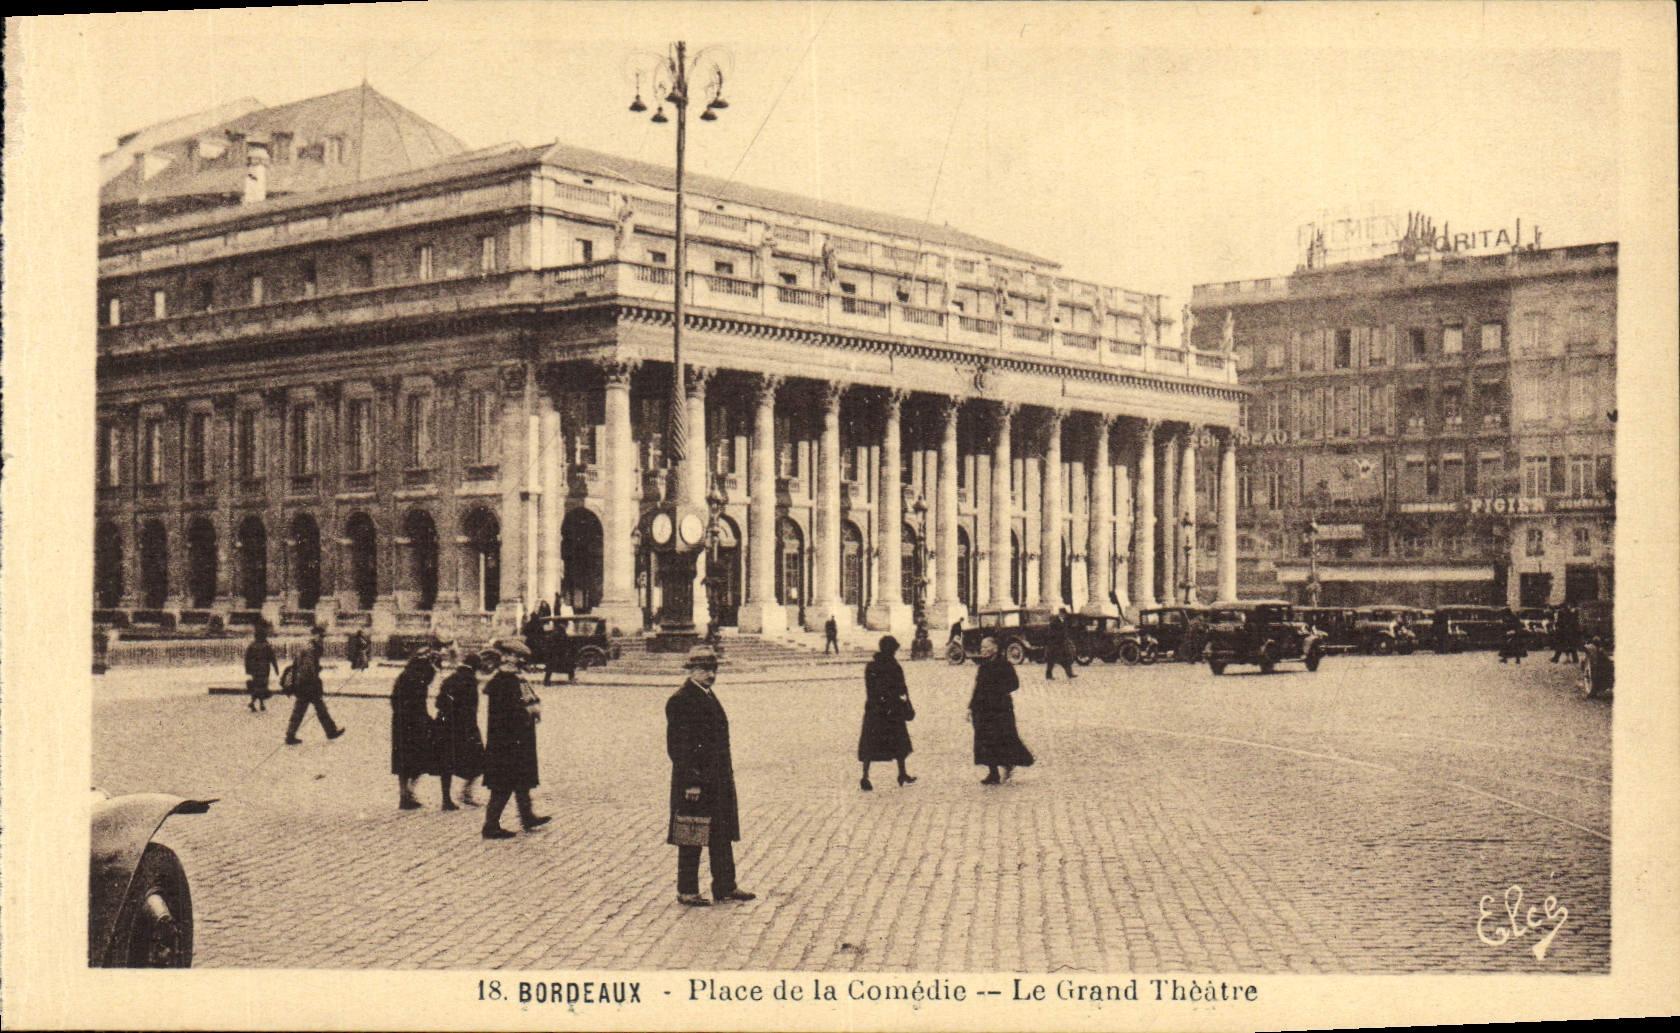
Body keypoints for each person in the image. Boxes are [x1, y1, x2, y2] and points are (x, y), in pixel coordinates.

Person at [665, 644, 755, 907]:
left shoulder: (707, 695)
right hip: (695, 782)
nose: (710, 674)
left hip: (717, 780)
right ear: (691, 670)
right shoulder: (681, 699)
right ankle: (687, 890)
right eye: (704, 669)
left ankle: (725, 885)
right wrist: (692, 782)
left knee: (721, 834)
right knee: (692, 833)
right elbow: (678, 748)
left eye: (713, 669)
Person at [479, 641, 549, 839]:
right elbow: (509, 712)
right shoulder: (505, 681)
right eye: (517, 657)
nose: (520, 661)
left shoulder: (514, 679)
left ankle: (527, 816)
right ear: (508, 657)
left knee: (521, 781)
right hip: (507, 741)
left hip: (516, 739)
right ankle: (490, 825)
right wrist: (527, 714)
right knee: (503, 783)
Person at [968, 637, 1035, 785]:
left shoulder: (1004, 665)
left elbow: (1014, 684)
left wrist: (998, 691)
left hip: (1000, 709)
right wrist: (970, 707)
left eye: (986, 647)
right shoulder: (983, 666)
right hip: (983, 709)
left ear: (995, 649)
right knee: (985, 740)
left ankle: (1008, 763)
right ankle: (993, 773)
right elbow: (977, 688)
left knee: (1003, 738)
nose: (983, 650)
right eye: (982, 647)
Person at [857, 636, 916, 791]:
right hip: (891, 710)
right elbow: (901, 688)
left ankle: (865, 776)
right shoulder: (894, 666)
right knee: (898, 742)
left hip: (875, 710)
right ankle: (901, 773)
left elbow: (871, 689)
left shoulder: (871, 666)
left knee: (871, 744)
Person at [391, 649, 441, 810]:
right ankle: (410, 792)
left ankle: (403, 794)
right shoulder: (420, 680)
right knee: (421, 757)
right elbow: (419, 704)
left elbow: (394, 700)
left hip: (400, 722)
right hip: (416, 722)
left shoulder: (404, 677)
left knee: (402, 759)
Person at [435, 651, 486, 809]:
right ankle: (466, 792)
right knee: (480, 760)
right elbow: (471, 709)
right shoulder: (470, 681)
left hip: (446, 726)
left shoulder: (450, 679)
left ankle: (446, 799)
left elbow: (439, 702)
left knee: (446, 763)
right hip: (465, 727)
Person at [285, 626, 346, 745]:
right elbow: (308, 669)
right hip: (307, 685)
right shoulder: (310, 649)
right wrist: (314, 680)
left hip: (304, 683)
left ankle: (291, 735)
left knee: (311, 709)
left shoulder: (310, 647)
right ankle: (330, 731)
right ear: (314, 635)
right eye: (320, 636)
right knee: (310, 709)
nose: (322, 639)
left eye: (323, 637)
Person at [244, 620, 279, 712]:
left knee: (257, 687)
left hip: (254, 670)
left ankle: (259, 704)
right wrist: (276, 669)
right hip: (264, 670)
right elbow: (273, 658)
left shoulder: (251, 646)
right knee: (263, 687)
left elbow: (247, 659)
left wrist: (248, 670)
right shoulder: (267, 646)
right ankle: (256, 703)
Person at [1045, 611, 1077, 681]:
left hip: (1061, 644)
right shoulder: (1054, 622)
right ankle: (1048, 675)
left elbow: (1065, 631)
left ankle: (1070, 674)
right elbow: (1051, 633)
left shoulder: (1064, 621)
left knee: (1065, 660)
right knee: (1051, 661)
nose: (1064, 616)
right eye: (1063, 614)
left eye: (1065, 615)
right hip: (1054, 645)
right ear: (1060, 614)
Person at [544, 619, 574, 686]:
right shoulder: (560, 631)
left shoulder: (556, 631)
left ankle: (546, 681)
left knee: (550, 668)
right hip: (556, 652)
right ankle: (571, 678)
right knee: (567, 664)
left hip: (553, 652)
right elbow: (564, 641)